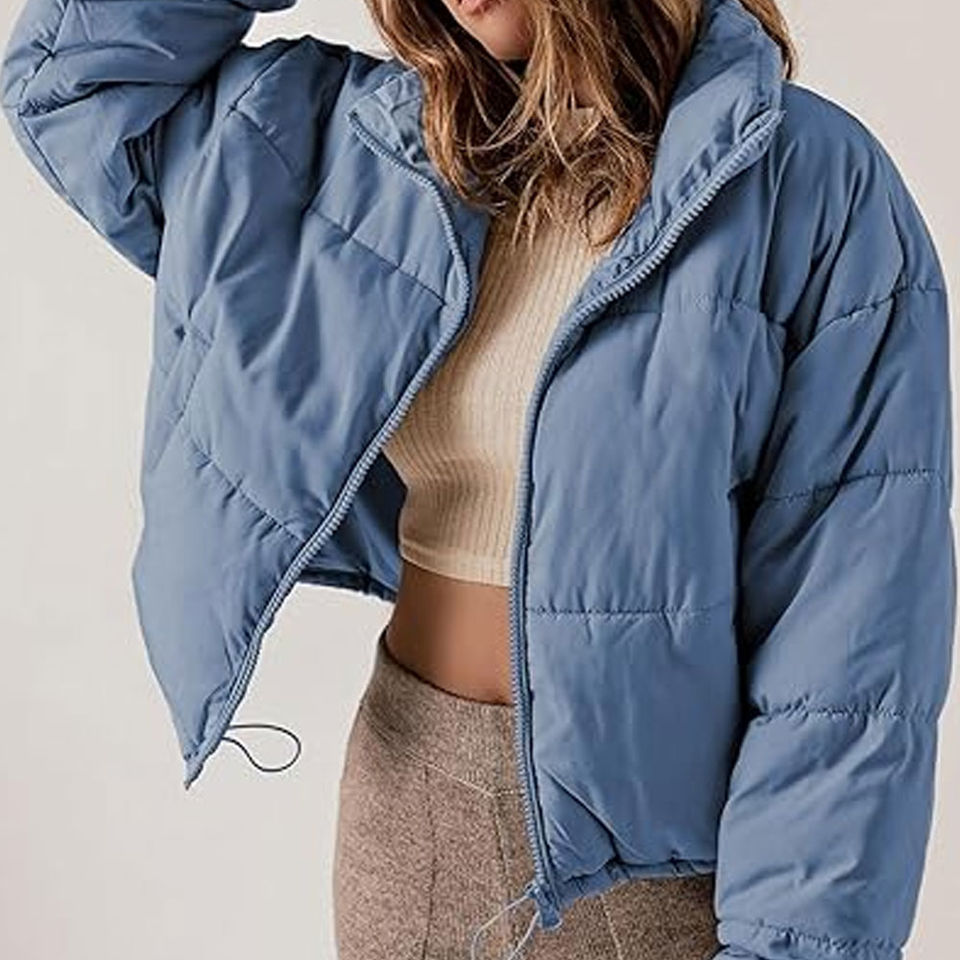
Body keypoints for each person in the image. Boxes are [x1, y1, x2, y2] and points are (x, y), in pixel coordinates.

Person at [1, 0, 954, 959]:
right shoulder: (370, 145)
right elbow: (68, 83)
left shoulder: (804, 179)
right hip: (405, 804)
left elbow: (851, 650)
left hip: (656, 882)